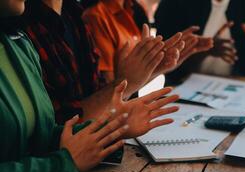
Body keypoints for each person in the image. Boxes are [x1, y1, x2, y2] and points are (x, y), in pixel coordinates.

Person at [0, 0, 180, 172]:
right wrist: (63, 163)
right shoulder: (27, 26)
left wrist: (114, 128)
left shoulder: (17, 40)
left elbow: (40, 134)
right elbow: (63, 118)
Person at [23, 0, 182, 124]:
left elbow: (98, 94)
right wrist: (125, 82)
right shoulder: (24, 26)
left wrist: (151, 66)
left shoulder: (73, 13)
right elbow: (59, 125)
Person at [82, 0, 213, 84]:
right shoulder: (95, 17)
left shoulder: (135, 9)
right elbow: (108, 92)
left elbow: (132, 84)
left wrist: (161, 65)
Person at [155, 0, 245, 85]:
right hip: (182, 92)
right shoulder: (174, 3)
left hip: (234, 92)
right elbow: (164, 64)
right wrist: (205, 51)